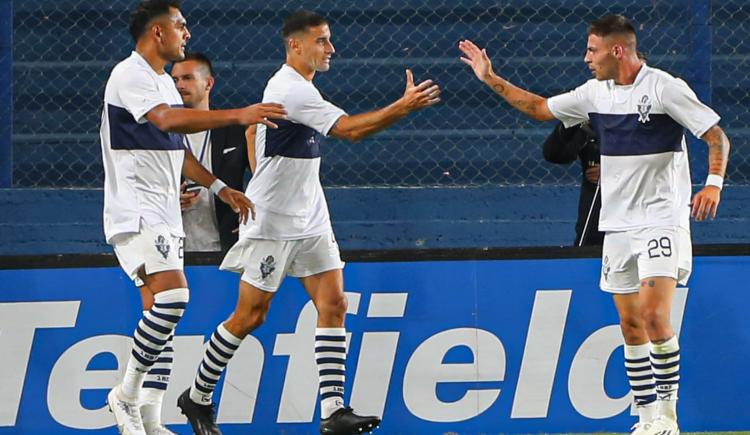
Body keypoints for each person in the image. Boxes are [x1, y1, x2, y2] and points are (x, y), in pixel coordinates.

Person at [459, 14, 730, 435]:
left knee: (656, 317)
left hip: (661, 221)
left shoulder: (664, 87)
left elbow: (716, 135)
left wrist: (712, 184)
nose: (587, 58)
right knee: (629, 324)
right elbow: (538, 107)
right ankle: (644, 419)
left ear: (616, 50)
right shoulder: (593, 93)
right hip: (617, 226)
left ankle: (668, 418)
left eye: (592, 50)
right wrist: (490, 77)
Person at [176, 10, 440, 435]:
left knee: (334, 304)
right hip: (274, 220)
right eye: (322, 41)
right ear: (295, 45)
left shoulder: (300, 90)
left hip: (311, 215)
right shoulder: (290, 89)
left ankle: (334, 411)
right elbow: (350, 131)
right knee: (250, 316)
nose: (330, 48)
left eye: (329, 39)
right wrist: (402, 106)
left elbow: (254, 136)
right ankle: (197, 396)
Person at [99, 1, 286, 434]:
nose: (187, 32)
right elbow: (166, 121)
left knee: (159, 315)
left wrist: (222, 188)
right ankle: (125, 396)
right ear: (157, 33)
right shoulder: (129, 75)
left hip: (164, 211)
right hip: (138, 207)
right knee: (172, 300)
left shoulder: (162, 82)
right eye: (179, 25)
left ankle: (150, 418)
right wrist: (238, 114)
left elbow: (176, 149)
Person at [172, 52, 251, 253]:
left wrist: (253, 223)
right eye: (175, 80)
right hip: (174, 245)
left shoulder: (234, 131)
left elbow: (265, 177)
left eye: (187, 78)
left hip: (228, 244)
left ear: (208, 83)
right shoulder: (161, 132)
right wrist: (168, 200)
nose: (179, 85)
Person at [542, 121, 604, 246]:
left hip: (635, 210)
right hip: (594, 214)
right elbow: (555, 155)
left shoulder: (638, 117)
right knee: (589, 247)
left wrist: (615, 170)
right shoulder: (586, 123)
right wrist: (571, 119)